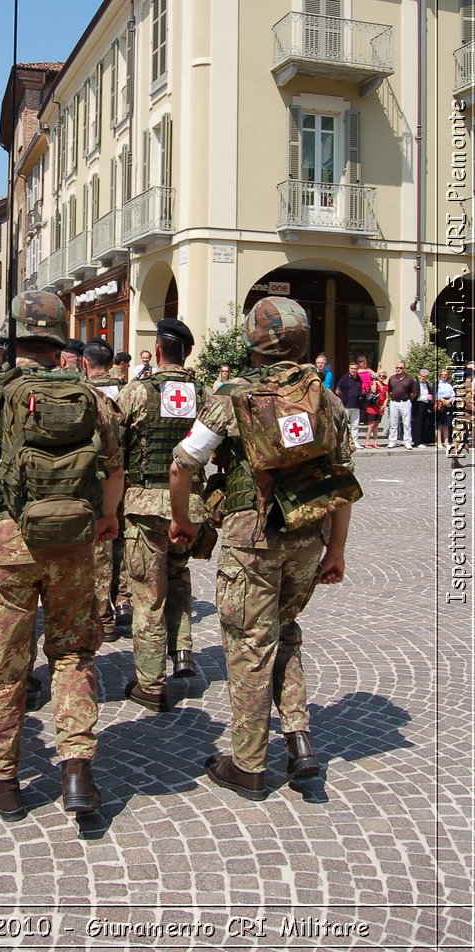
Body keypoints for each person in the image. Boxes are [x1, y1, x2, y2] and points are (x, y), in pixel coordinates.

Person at [0, 291, 124, 821]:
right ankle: (77, 769)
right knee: (72, 653)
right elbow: (114, 469)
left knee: (4, 662)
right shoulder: (94, 398)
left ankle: (3, 779)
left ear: (14, 336)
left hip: (3, 546)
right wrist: (107, 518)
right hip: (73, 544)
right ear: (62, 337)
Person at [169, 297, 360, 800]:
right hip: (306, 537)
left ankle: (250, 763)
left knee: (250, 644)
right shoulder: (327, 399)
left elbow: (183, 462)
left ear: (251, 340)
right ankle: (299, 739)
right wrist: (335, 550)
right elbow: (343, 481)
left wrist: (183, 520)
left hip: (250, 540)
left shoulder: (233, 394)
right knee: (284, 630)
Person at [118, 318, 208, 710]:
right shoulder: (203, 392)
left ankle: (151, 683)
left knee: (148, 594)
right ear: (185, 352)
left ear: (157, 350)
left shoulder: (137, 391)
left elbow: (114, 443)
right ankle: (183, 649)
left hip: (145, 505)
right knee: (178, 577)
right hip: (188, 505)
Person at [82, 338, 123, 642]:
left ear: (85, 363)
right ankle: (123, 601)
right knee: (125, 542)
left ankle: (103, 615)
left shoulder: (85, 394)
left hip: (99, 477)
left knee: (102, 545)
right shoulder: (129, 389)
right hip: (129, 476)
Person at [387, 361, 417, 449]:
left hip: (405, 403)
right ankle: (392, 441)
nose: (398, 369)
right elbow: (389, 391)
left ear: (404, 369)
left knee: (407, 423)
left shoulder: (410, 378)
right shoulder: (392, 378)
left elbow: (414, 392)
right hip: (394, 403)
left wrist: (408, 399)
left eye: (400, 368)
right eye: (397, 368)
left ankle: (407, 441)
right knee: (393, 423)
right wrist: (392, 397)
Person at [334, 362, 363, 450]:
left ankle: (355, 442)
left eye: (355, 369)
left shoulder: (359, 378)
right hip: (346, 405)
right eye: (352, 368)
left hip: (356, 405)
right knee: (345, 425)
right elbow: (338, 390)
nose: (353, 370)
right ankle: (344, 443)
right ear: (349, 369)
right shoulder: (344, 378)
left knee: (355, 425)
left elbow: (360, 390)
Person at [411, 369, 435, 448]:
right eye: (421, 376)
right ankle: (416, 441)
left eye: (424, 377)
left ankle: (422, 440)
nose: (422, 378)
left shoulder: (426, 384)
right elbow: (416, 396)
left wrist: (430, 397)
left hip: (425, 405)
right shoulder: (415, 384)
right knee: (417, 424)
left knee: (424, 423)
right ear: (418, 376)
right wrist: (426, 397)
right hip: (418, 405)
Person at [364, 370, 388, 447]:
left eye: (383, 376)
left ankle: (375, 442)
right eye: (380, 376)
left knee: (376, 425)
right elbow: (373, 390)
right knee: (371, 425)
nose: (381, 377)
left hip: (380, 407)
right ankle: (367, 442)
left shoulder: (385, 386)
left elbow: (387, 397)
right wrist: (374, 380)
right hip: (373, 407)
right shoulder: (374, 383)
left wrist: (384, 406)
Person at [435, 367, 456, 450]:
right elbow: (435, 393)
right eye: (442, 374)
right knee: (439, 425)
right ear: (440, 375)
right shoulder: (437, 384)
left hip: (449, 404)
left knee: (447, 425)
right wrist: (443, 401)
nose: (444, 376)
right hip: (440, 404)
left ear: (448, 376)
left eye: (446, 375)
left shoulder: (450, 384)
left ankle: (446, 442)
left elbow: (454, 393)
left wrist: (450, 400)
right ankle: (439, 442)